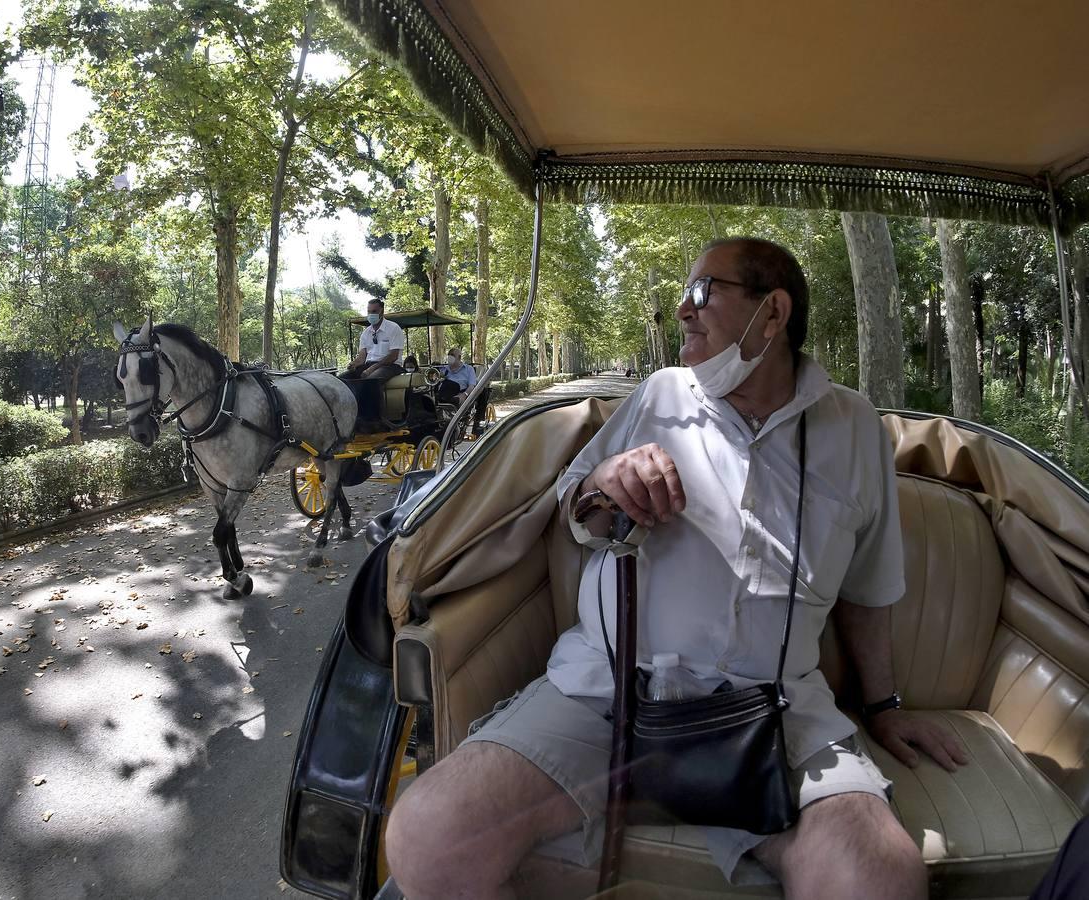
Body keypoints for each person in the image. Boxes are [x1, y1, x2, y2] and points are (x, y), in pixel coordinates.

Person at [385, 238, 968, 899]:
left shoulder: (854, 425)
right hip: (602, 694)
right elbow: (578, 502)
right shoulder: (659, 395)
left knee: (878, 878)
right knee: (427, 833)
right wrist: (607, 481)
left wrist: (885, 705)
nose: (683, 310)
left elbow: (867, 587)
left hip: (775, 709)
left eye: (702, 292)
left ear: (772, 314)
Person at [341, 299, 404, 428]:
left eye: (374, 311)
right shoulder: (366, 333)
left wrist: (372, 368)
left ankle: (375, 420)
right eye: (369, 312)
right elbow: (362, 357)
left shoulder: (393, 328)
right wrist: (354, 364)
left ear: (382, 311)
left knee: (370, 380)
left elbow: (393, 356)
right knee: (341, 379)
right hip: (369, 364)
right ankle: (348, 417)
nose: (371, 315)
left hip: (391, 365)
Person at [435, 347, 488, 432]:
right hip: (444, 392)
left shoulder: (468, 369)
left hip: (461, 392)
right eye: (449, 355)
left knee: (453, 385)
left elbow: (471, 386)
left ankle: (477, 424)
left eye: (452, 355)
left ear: (459, 358)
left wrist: (464, 395)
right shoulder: (443, 368)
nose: (449, 357)